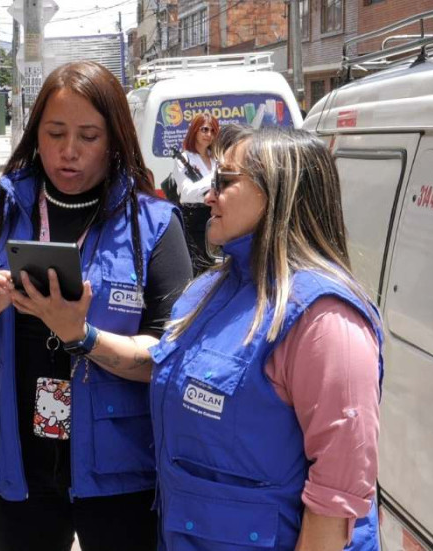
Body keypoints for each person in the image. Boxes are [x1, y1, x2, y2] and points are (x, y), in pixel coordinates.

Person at [0, 61, 193, 551]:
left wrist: (83, 337)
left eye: (89, 136)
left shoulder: (155, 225)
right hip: (15, 466)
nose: (69, 151)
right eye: (55, 132)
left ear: (116, 139)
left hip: (121, 471)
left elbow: (171, 357)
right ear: (35, 132)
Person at [149, 127, 383, 550]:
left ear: (280, 192)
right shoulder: (210, 291)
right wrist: (84, 335)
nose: (208, 196)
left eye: (225, 182)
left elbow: (335, 503)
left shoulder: (326, 321)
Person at [172, 114, 219, 274]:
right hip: (194, 219)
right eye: (204, 129)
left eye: (212, 131)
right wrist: (214, 178)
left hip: (215, 216)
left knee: (216, 267)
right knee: (197, 269)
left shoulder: (216, 159)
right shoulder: (184, 159)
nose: (209, 134)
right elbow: (186, 193)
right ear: (194, 131)